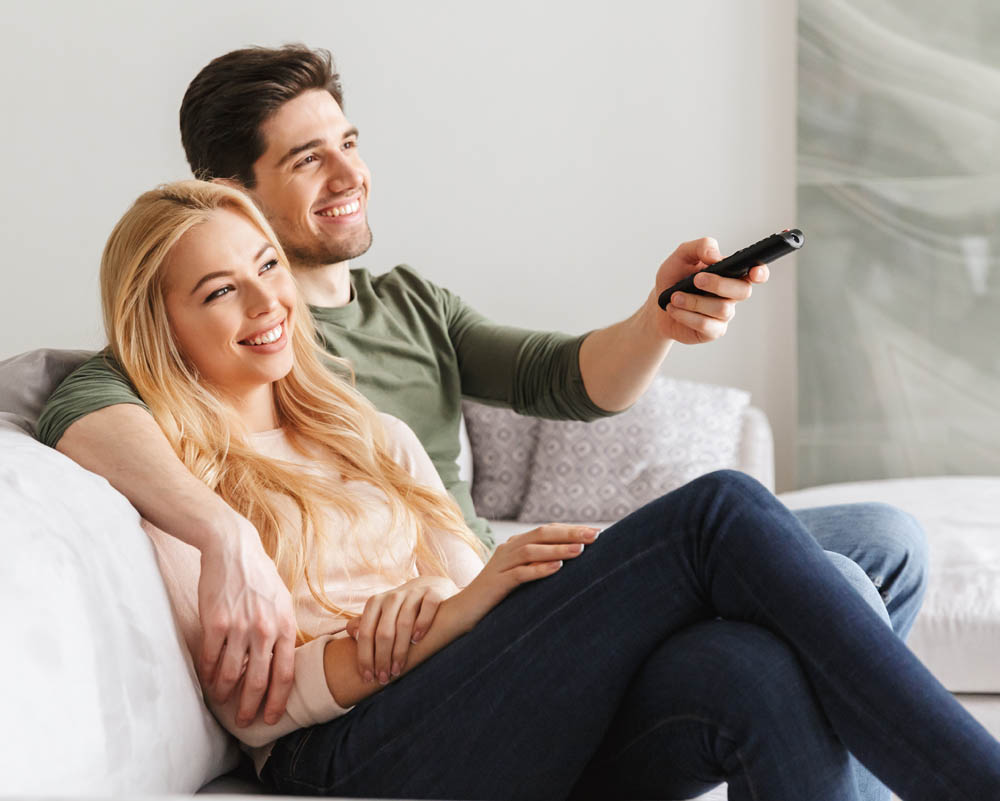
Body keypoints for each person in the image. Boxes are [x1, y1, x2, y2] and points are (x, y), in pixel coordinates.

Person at [36, 44, 926, 795]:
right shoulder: (188, 362)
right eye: (309, 159)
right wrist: (224, 534)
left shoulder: (408, 312)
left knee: (866, 559)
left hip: (484, 579)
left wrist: (658, 318)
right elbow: (75, 404)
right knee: (765, 543)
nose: (351, 175)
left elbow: (563, 377)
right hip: (433, 644)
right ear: (228, 191)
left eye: (348, 143)